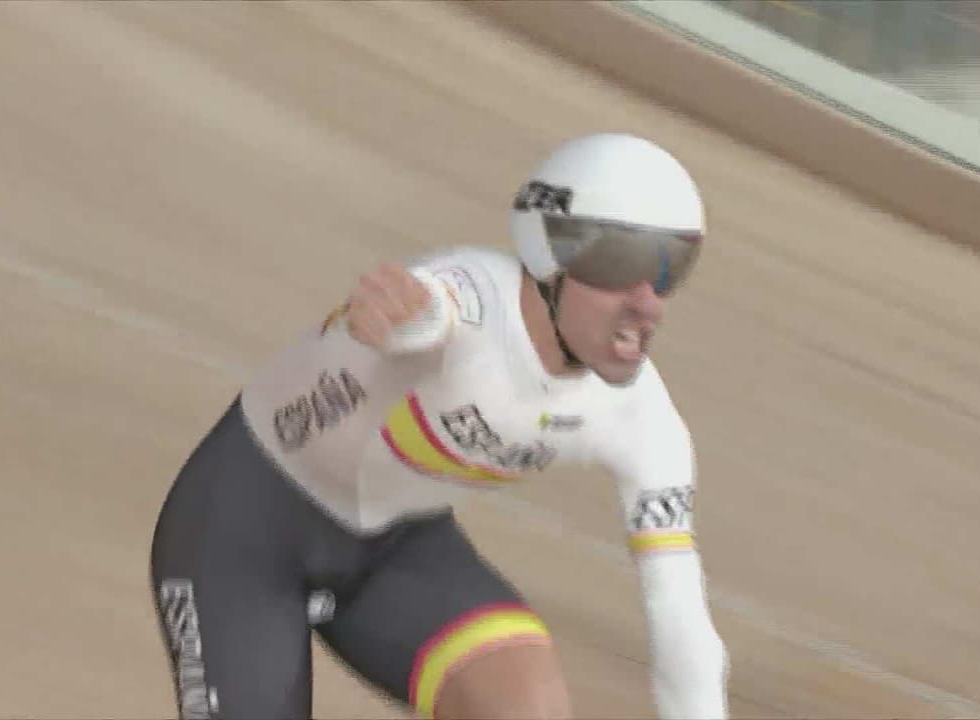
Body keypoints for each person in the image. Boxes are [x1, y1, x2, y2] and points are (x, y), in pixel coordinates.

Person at [149, 132, 730, 720]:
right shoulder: (471, 299)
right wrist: (403, 317)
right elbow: (435, 308)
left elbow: (681, 621)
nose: (649, 304)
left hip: (395, 551)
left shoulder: (643, 417)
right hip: (241, 536)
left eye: (670, 268)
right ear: (551, 252)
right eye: (622, 263)